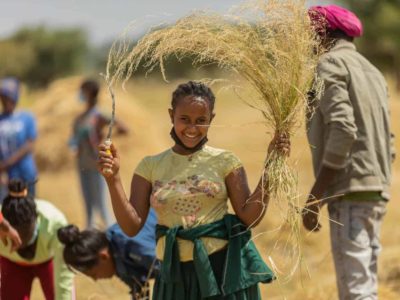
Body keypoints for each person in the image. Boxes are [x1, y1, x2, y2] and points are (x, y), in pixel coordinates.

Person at [97, 81, 290, 299]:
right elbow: (131, 227)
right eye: (184, 119)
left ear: (211, 119)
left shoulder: (225, 161)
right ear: (171, 115)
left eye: (201, 121)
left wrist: (272, 166)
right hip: (173, 276)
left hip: (220, 272)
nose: (192, 128)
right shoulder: (150, 166)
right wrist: (113, 180)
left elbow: (249, 217)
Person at [303, 5, 394, 300]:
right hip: (376, 189)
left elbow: (343, 130)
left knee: (356, 291)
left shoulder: (330, 65)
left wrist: (316, 197)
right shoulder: (372, 71)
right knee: (366, 284)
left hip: (350, 192)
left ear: (322, 34)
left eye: (310, 36)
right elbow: (388, 140)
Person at [58, 208, 159, 300]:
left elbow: (172, 273)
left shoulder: (135, 248)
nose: (95, 280)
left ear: (103, 256)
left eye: (94, 274)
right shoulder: (115, 255)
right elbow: (139, 288)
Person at [0, 179, 74, 300]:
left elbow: (64, 283)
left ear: (36, 219)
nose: (19, 241)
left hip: (49, 261)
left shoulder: (54, 225)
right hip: (11, 263)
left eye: (24, 233)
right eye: (13, 236)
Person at [70, 79, 128, 228]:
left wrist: (107, 138)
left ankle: (113, 233)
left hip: (98, 165)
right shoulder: (80, 118)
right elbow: (73, 140)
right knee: (88, 205)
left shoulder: (100, 114)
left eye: (82, 91)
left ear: (88, 93)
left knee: (101, 204)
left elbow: (123, 128)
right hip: (83, 164)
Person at [0, 77, 38, 198]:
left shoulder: (26, 117)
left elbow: (29, 145)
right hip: (6, 176)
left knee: (28, 210)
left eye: (8, 97)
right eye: (3, 98)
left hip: (25, 173)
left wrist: (7, 163)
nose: (6, 101)